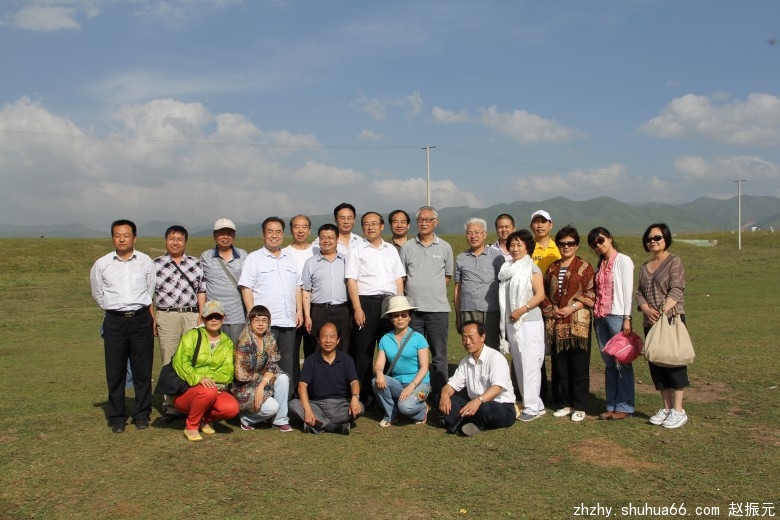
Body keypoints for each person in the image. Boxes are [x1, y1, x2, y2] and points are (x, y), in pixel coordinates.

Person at [90, 219, 155, 433]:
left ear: (134, 238)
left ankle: (142, 414)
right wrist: (114, 309)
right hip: (115, 321)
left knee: (142, 369)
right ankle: (117, 416)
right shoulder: (102, 264)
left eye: (126, 235)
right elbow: (98, 293)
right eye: (117, 235)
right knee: (115, 369)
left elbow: (150, 290)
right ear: (112, 237)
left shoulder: (145, 261)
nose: (122, 239)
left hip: (140, 319)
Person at [345, 211, 405, 405]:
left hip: (389, 303)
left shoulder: (391, 250)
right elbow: (351, 280)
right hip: (366, 302)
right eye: (366, 224)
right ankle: (364, 397)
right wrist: (357, 308)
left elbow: (398, 279)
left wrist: (399, 305)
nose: (370, 227)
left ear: (381, 226)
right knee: (364, 351)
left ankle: (387, 395)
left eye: (374, 223)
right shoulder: (356, 249)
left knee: (389, 349)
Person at [636, 223, 689, 429]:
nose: (653, 241)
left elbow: (677, 288)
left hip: (670, 320)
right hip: (650, 321)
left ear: (666, 238)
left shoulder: (674, 261)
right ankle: (666, 408)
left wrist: (662, 311)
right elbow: (639, 292)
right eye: (649, 238)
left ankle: (678, 410)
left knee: (674, 361)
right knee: (656, 363)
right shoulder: (644, 267)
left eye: (657, 237)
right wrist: (646, 309)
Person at [541, 226, 595, 422]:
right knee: (561, 366)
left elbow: (591, 293)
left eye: (570, 243)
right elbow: (544, 293)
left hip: (577, 321)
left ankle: (580, 405)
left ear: (576, 245)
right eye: (562, 243)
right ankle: (566, 403)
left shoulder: (585, 267)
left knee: (579, 366)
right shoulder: (552, 268)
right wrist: (552, 309)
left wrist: (571, 308)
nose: (566, 247)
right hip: (557, 322)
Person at [239, 216, 303, 381]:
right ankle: (264, 396)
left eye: (278, 232)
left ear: (283, 234)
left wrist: (299, 311)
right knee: (265, 366)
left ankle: (287, 397)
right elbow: (246, 288)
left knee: (287, 366)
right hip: (266, 324)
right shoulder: (254, 258)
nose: (274, 235)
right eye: (270, 231)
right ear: (263, 234)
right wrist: (253, 316)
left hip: (288, 322)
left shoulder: (290, 258)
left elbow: (297, 286)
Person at [400, 206, 453, 396]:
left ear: (435, 222)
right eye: (420, 220)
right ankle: (415, 394)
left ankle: (440, 394)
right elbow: (402, 277)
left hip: (437, 310)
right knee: (413, 354)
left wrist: (432, 291)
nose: (424, 223)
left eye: (428, 220)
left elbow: (447, 276)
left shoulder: (445, 247)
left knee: (439, 355)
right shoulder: (407, 247)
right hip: (413, 310)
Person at [154, 225, 205, 418]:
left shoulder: (195, 263)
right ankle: (170, 405)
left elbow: (201, 290)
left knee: (192, 357)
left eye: (179, 239)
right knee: (169, 358)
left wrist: (201, 314)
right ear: (166, 240)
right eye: (171, 238)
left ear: (185, 242)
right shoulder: (156, 264)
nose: (175, 242)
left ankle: (191, 401)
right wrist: (153, 318)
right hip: (167, 315)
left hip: (191, 314)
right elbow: (149, 294)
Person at [171, 300, 239, 441]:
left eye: (217, 316)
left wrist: (209, 380)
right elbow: (180, 363)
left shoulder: (227, 342)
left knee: (231, 408)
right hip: (188, 390)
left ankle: (206, 418)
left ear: (223, 318)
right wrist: (200, 378)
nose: (214, 320)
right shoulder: (192, 336)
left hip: (214, 389)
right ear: (203, 319)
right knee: (208, 391)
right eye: (209, 317)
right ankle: (191, 426)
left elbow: (228, 372)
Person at [498, 229, 546, 422]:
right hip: (513, 322)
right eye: (512, 244)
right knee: (519, 364)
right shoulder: (507, 268)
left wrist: (522, 310)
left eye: (519, 244)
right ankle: (535, 404)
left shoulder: (532, 268)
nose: (515, 248)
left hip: (528, 322)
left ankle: (532, 407)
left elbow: (540, 295)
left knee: (530, 364)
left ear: (528, 247)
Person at [588, 226, 635, 420]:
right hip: (600, 317)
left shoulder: (623, 261)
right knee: (609, 363)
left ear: (610, 238)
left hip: (617, 316)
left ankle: (625, 407)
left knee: (622, 361)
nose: (598, 246)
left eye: (600, 240)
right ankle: (611, 405)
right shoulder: (601, 264)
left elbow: (627, 290)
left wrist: (627, 318)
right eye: (594, 244)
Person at [439, 321, 517, 436]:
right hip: (474, 405)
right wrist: (444, 395)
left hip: (500, 406)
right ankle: (472, 423)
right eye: (464, 338)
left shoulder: (496, 358)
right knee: (446, 400)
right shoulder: (465, 362)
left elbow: (497, 388)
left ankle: (460, 421)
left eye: (471, 338)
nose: (467, 342)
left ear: (482, 337)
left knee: (486, 409)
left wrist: (478, 401)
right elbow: (451, 385)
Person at [289, 323, 364, 434]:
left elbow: (354, 382)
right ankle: (332, 427)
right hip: (316, 405)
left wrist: (355, 397)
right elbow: (302, 386)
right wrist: (308, 410)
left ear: (338, 340)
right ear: (318, 340)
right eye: (324, 336)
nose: (328, 341)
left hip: (340, 406)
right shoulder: (311, 360)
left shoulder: (346, 359)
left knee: (360, 407)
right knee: (293, 405)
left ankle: (317, 424)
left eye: (332, 337)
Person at [372, 296, 431, 426]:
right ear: (391, 318)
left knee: (405, 407)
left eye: (404, 315)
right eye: (395, 315)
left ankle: (422, 409)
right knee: (375, 381)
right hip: (398, 382)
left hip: (419, 383)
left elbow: (424, 367)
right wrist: (379, 373)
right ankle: (391, 414)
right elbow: (379, 364)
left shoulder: (419, 338)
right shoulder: (385, 339)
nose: (400, 319)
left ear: (409, 317)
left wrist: (411, 386)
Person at [231, 305, 291, 432]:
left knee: (283, 378)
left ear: (269, 323)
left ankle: (280, 420)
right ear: (250, 322)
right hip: (244, 386)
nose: (260, 324)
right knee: (272, 407)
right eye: (256, 320)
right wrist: (261, 382)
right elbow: (241, 375)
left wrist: (262, 384)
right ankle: (246, 418)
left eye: (264, 320)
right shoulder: (244, 342)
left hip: (261, 381)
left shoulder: (269, 338)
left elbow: (273, 363)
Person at [454, 217, 505, 347]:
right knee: (471, 345)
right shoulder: (461, 258)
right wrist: (458, 315)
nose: (473, 236)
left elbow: (503, 285)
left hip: (491, 311)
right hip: (467, 310)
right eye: (469, 233)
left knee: (491, 347)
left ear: (484, 234)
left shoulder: (497, 256)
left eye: (477, 232)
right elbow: (457, 288)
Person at [301, 224, 351, 353]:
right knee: (318, 348)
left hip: (342, 310)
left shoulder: (346, 261)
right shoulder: (310, 263)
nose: (326, 241)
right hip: (319, 311)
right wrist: (307, 316)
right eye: (323, 237)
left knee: (343, 348)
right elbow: (306, 290)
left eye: (330, 237)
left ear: (337, 239)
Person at [530, 209, 561, 406]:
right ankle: (539, 392)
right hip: (533, 305)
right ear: (531, 225)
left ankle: (558, 394)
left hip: (554, 306)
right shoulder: (527, 247)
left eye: (544, 222)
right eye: (536, 222)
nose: (539, 225)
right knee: (536, 350)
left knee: (557, 351)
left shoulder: (558, 248)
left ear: (551, 225)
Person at [198, 218, 246, 346]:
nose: (225, 237)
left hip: (237, 316)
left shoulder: (243, 255)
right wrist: (201, 313)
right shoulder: (206, 256)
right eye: (221, 233)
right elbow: (200, 286)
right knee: (214, 351)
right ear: (214, 236)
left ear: (234, 235)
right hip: (213, 315)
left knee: (236, 352)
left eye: (229, 233)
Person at [284, 215, 315, 360]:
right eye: (296, 227)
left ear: (309, 230)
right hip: (291, 307)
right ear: (291, 230)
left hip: (313, 306)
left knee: (313, 348)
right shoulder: (284, 253)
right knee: (291, 350)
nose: (301, 231)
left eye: (304, 227)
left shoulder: (317, 251)